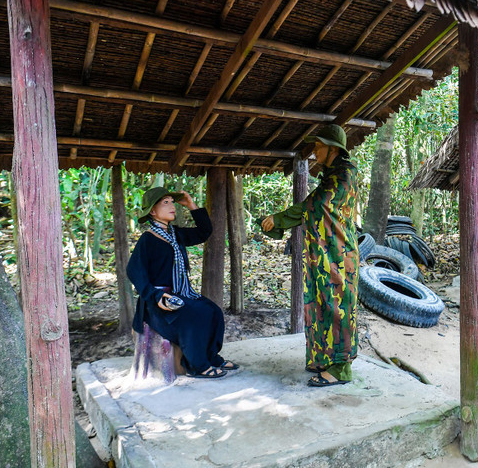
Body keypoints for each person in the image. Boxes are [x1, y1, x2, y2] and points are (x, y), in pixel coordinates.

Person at [261, 124, 359, 387]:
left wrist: (279, 219)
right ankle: (324, 359)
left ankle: (340, 368)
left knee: (337, 306)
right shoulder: (331, 175)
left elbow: (315, 205)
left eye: (318, 146)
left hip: (338, 254)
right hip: (324, 252)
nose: (314, 152)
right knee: (319, 304)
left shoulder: (343, 175)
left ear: (333, 149)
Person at [127, 186, 238, 378]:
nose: (172, 206)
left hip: (181, 293)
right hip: (158, 301)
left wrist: (191, 205)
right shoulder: (147, 239)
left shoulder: (175, 235)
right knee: (193, 317)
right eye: (166, 203)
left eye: (172, 202)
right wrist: (157, 296)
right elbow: (134, 271)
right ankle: (198, 366)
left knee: (213, 312)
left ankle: (211, 357)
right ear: (153, 211)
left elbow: (205, 231)